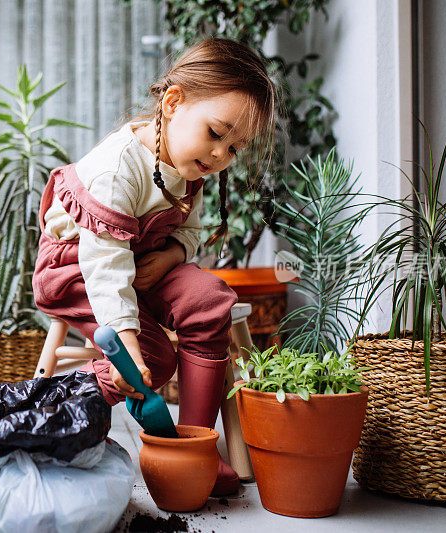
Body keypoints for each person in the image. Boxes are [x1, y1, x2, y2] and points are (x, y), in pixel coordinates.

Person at [33, 38, 276, 496]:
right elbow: (105, 269)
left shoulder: (189, 164)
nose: (222, 155)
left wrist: (171, 256)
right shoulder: (118, 168)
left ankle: (196, 448)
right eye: (217, 133)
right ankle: (53, 414)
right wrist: (128, 351)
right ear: (173, 103)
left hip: (145, 262)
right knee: (155, 360)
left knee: (209, 301)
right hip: (77, 269)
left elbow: (188, 232)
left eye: (235, 147)